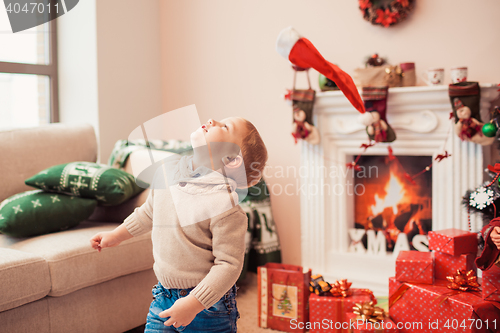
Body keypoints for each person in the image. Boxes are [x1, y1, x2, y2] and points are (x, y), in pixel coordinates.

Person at [90, 117, 268, 332]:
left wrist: (194, 303)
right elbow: (148, 213)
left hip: (208, 307)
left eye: (225, 126)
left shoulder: (226, 208)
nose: (213, 120)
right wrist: (116, 235)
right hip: (164, 295)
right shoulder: (167, 175)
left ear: (231, 160)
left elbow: (229, 266)